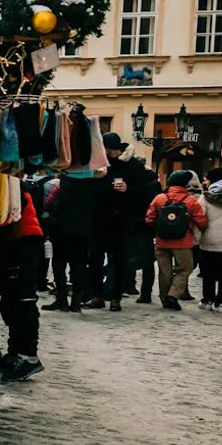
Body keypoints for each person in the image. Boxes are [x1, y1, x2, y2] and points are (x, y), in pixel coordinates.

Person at [90, 132, 158, 311]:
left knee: (119, 260)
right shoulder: (98, 164)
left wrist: (128, 189)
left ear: (118, 150)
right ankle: (96, 294)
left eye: (110, 150)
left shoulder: (133, 165)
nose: (107, 153)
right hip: (99, 218)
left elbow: (144, 192)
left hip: (123, 220)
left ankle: (115, 297)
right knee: (95, 258)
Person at [0, 189, 46, 382]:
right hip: (13, 242)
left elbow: (4, 216)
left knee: (23, 299)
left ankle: (29, 357)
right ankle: (15, 354)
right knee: (10, 301)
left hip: (25, 241)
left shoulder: (12, 184)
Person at [145, 170, 205, 311]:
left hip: (161, 241)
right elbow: (201, 221)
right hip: (183, 242)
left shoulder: (159, 198)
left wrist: (159, 230)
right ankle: (173, 295)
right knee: (184, 269)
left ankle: (165, 298)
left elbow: (149, 218)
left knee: (164, 271)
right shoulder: (190, 200)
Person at [44, 174, 97, 311]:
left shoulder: (69, 177)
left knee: (59, 263)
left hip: (64, 228)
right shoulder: (93, 178)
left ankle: (62, 299)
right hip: (84, 229)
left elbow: (62, 200)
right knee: (78, 264)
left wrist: (52, 221)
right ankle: (76, 301)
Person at [200, 168, 222, 312]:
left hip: (208, 240)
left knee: (208, 272)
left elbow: (200, 218)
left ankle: (207, 300)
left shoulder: (205, 197)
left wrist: (197, 238)